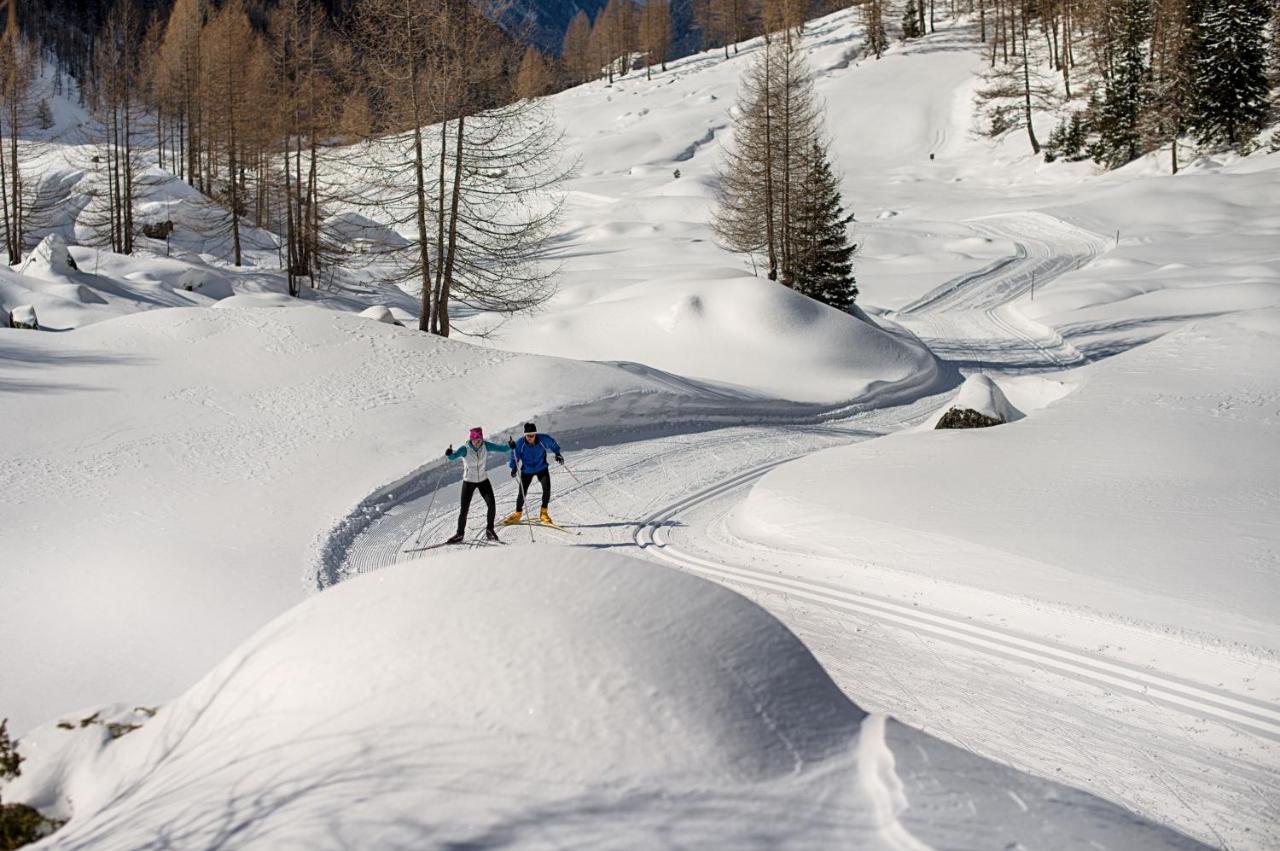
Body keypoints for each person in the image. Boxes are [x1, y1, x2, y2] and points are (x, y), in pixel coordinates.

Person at [443, 427, 509, 544]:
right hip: (469, 481)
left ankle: (490, 530)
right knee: (464, 509)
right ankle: (460, 534)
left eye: (479, 440)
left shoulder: (485, 445)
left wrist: (510, 445)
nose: (477, 442)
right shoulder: (465, 449)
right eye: (475, 440)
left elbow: (502, 449)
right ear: (471, 439)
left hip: (483, 479)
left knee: (492, 504)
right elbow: (453, 456)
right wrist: (449, 453)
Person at [503, 422, 563, 525]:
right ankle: (518, 514)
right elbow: (514, 456)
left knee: (547, 489)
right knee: (522, 492)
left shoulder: (543, 439)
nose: (531, 437)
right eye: (528, 435)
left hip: (542, 468)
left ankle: (544, 513)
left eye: (532, 435)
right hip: (527, 470)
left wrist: (558, 454)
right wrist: (513, 468)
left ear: (535, 434)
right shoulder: (520, 444)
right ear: (525, 435)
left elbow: (552, 444)